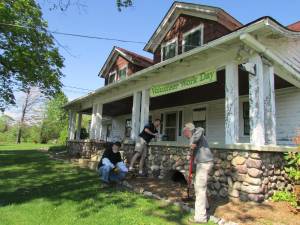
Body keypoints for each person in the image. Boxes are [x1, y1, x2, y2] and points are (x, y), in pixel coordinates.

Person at [183, 123, 213, 224]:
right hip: (201, 164)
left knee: (200, 189)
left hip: (204, 163)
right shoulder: (194, 138)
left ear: (189, 130)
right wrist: (192, 172)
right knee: (198, 187)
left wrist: (191, 142)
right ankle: (206, 206)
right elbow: (194, 156)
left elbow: (201, 129)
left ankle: (200, 218)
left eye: (185, 132)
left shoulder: (197, 132)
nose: (184, 135)